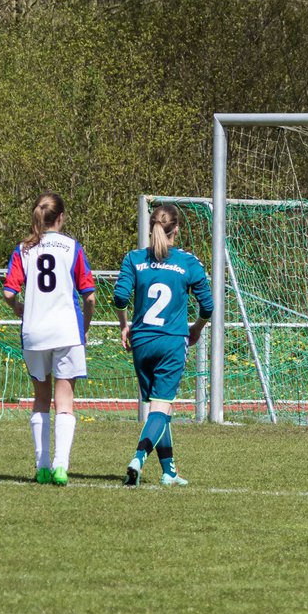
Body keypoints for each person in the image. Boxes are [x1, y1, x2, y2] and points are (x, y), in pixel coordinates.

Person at [113, 204, 214, 486]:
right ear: (176, 229)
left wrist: (124, 325)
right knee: (161, 407)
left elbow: (120, 298)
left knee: (161, 408)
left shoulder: (134, 258)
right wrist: (196, 327)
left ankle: (169, 471)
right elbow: (208, 305)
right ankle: (138, 458)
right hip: (171, 342)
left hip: (142, 342)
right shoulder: (187, 262)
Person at [3, 193, 96, 486]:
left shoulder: (24, 249)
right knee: (65, 402)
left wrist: (20, 308)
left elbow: (8, 292)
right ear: (61, 217)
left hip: (34, 331)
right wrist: (86, 325)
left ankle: (41, 466)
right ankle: (60, 466)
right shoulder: (72, 247)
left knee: (41, 398)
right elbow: (89, 296)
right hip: (67, 330)